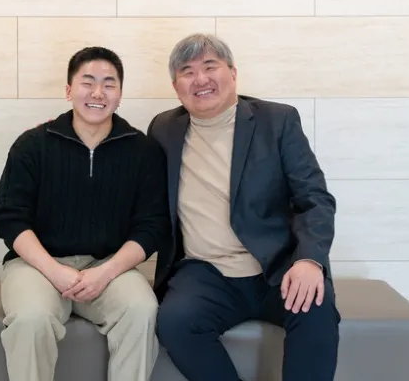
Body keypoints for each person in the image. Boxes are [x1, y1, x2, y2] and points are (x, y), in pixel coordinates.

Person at [146, 33, 341, 381]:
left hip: (277, 268)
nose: (201, 79)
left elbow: (315, 199)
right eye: (188, 72)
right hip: (206, 274)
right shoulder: (163, 129)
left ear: (233, 73)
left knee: (316, 309)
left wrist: (309, 260)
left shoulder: (277, 121)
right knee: (175, 323)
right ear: (176, 87)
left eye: (210, 66)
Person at [0, 46, 170, 381]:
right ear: (69, 90)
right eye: (88, 82)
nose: (98, 92)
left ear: (119, 95)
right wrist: (54, 271)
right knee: (31, 319)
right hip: (37, 266)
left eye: (109, 84)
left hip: (110, 267)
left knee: (141, 310)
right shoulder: (32, 145)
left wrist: (106, 272)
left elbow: (152, 226)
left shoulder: (143, 151)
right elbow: (8, 217)